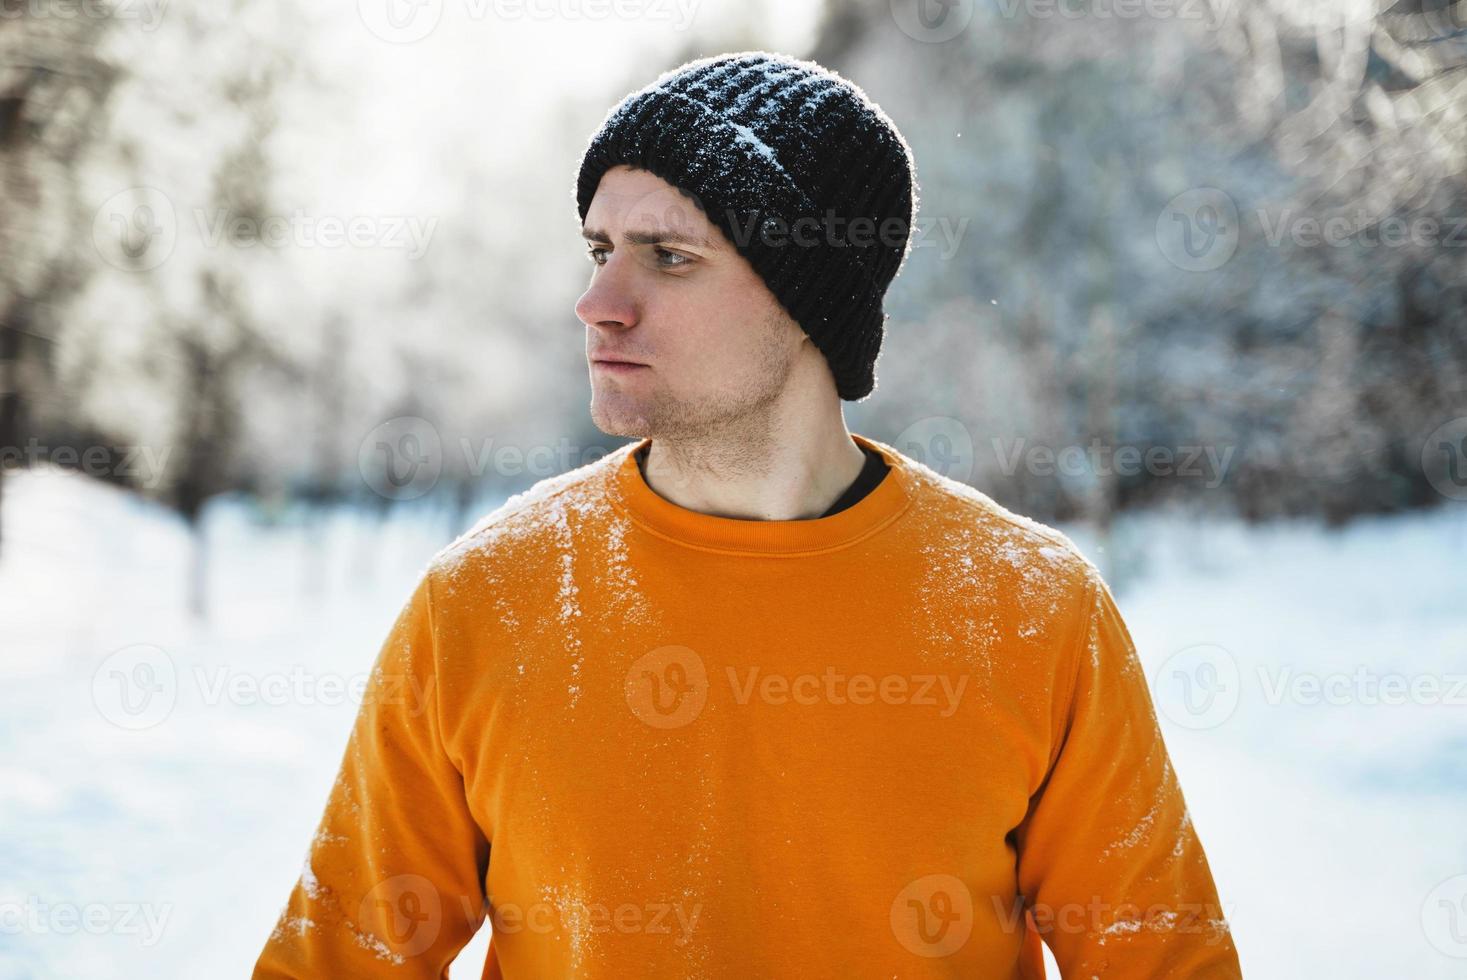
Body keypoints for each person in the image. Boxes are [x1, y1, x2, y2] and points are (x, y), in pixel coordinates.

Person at [254, 50, 1241, 978]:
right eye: (599, 248)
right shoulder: (482, 602)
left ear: (812, 296)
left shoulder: (1033, 610)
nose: (597, 300)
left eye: (668, 256)